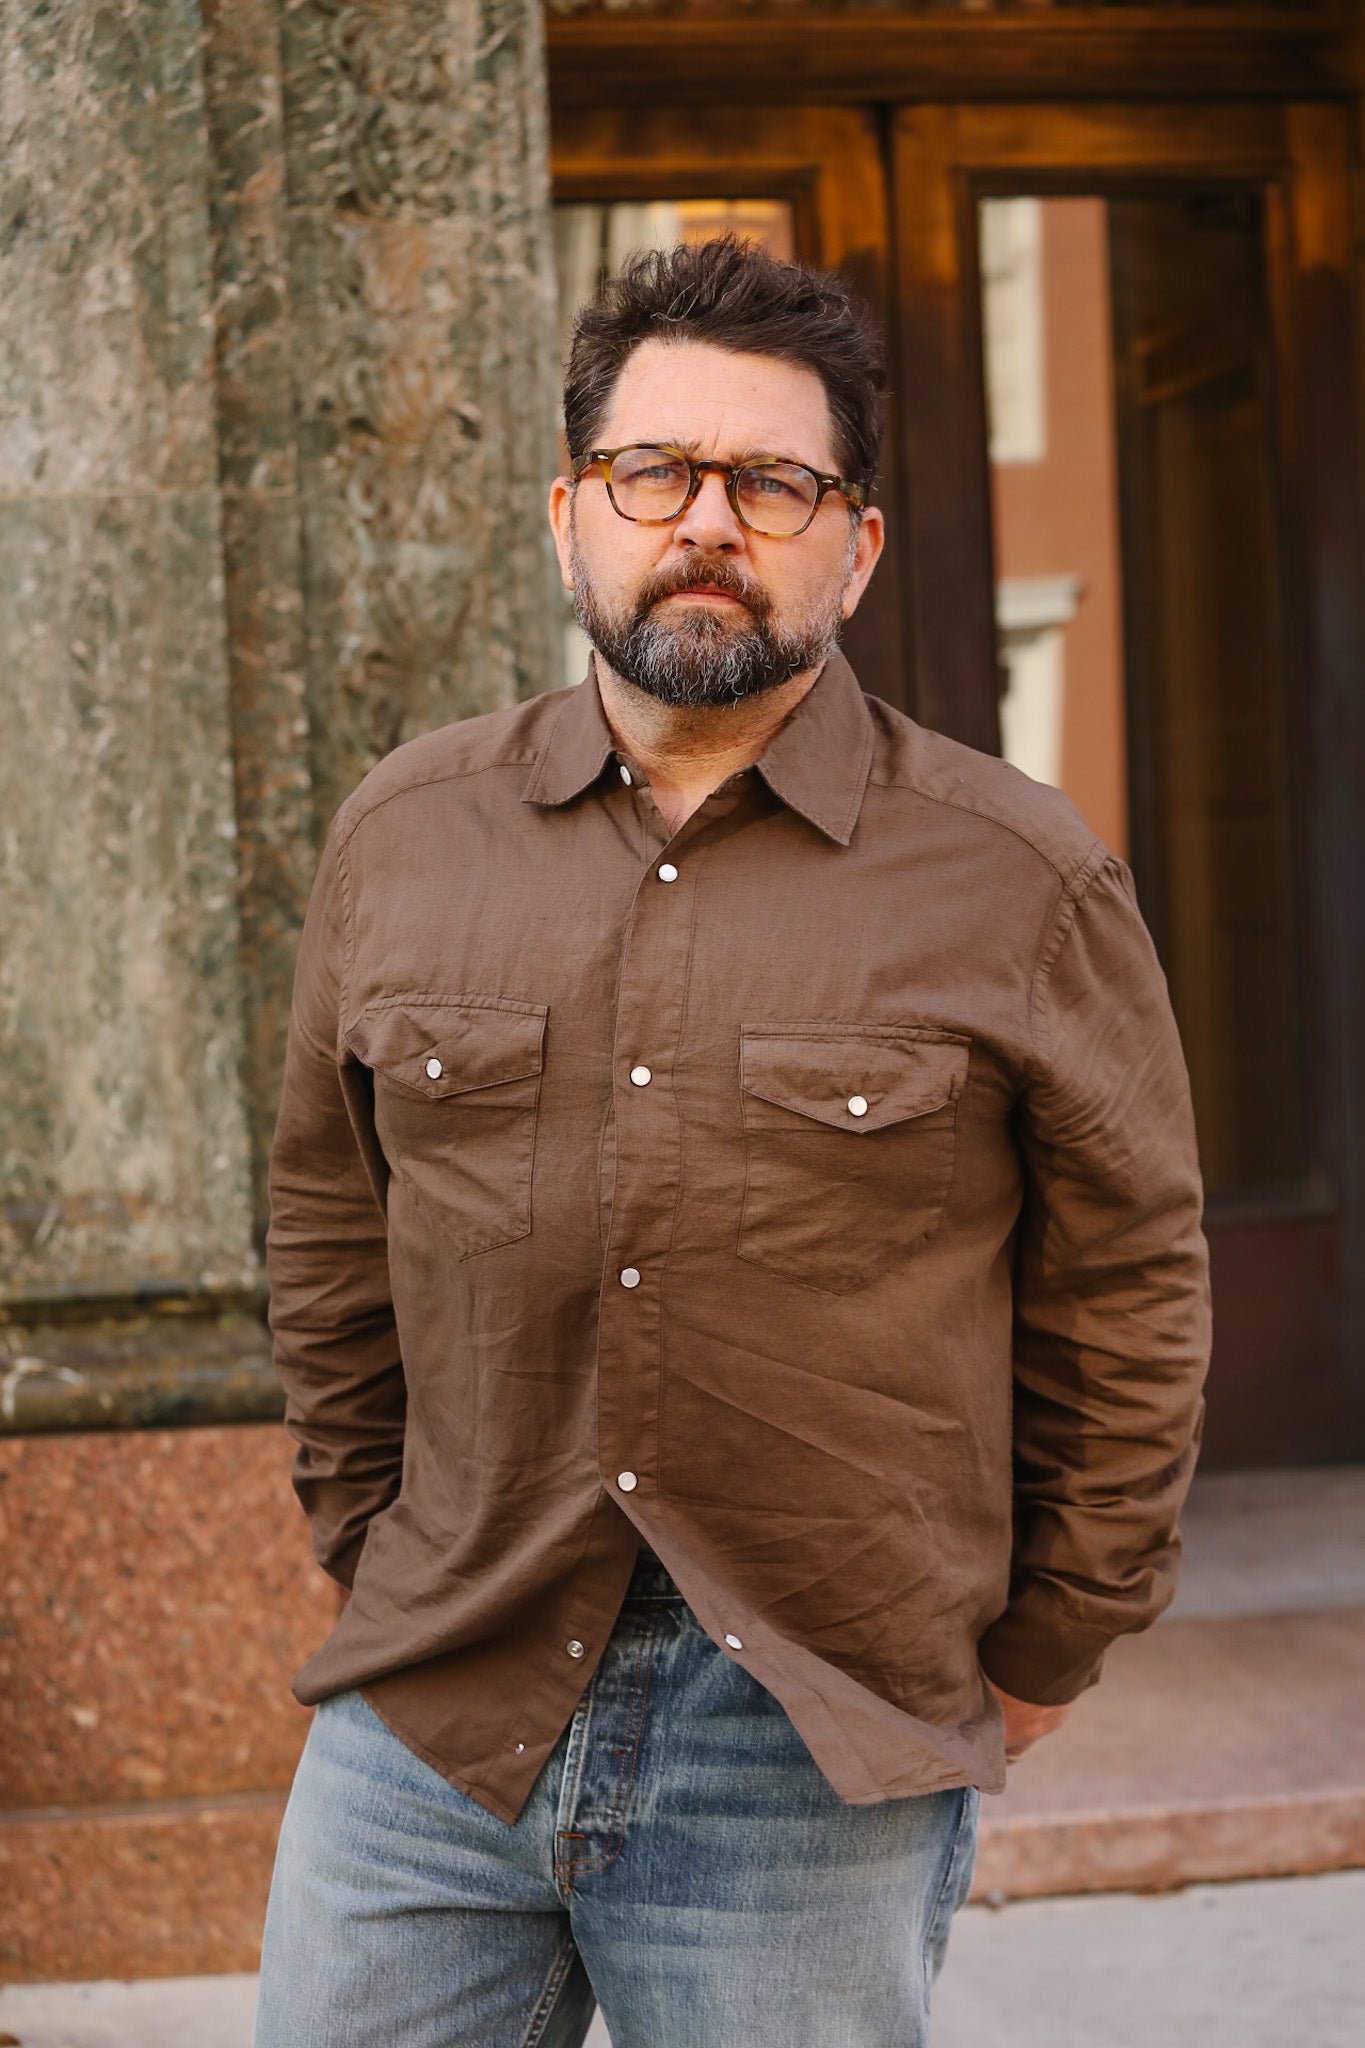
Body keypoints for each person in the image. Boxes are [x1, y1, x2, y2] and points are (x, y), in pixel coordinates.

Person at [254, 236, 1211, 2048]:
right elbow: (327, 1218)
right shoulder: (407, 834)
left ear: (850, 546)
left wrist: (1042, 1652)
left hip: (806, 1743)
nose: (707, 518)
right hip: (431, 1708)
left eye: (773, 480)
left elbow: (1127, 1288)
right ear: (568, 515)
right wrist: (362, 1531)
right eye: (653, 471)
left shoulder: (1016, 877)